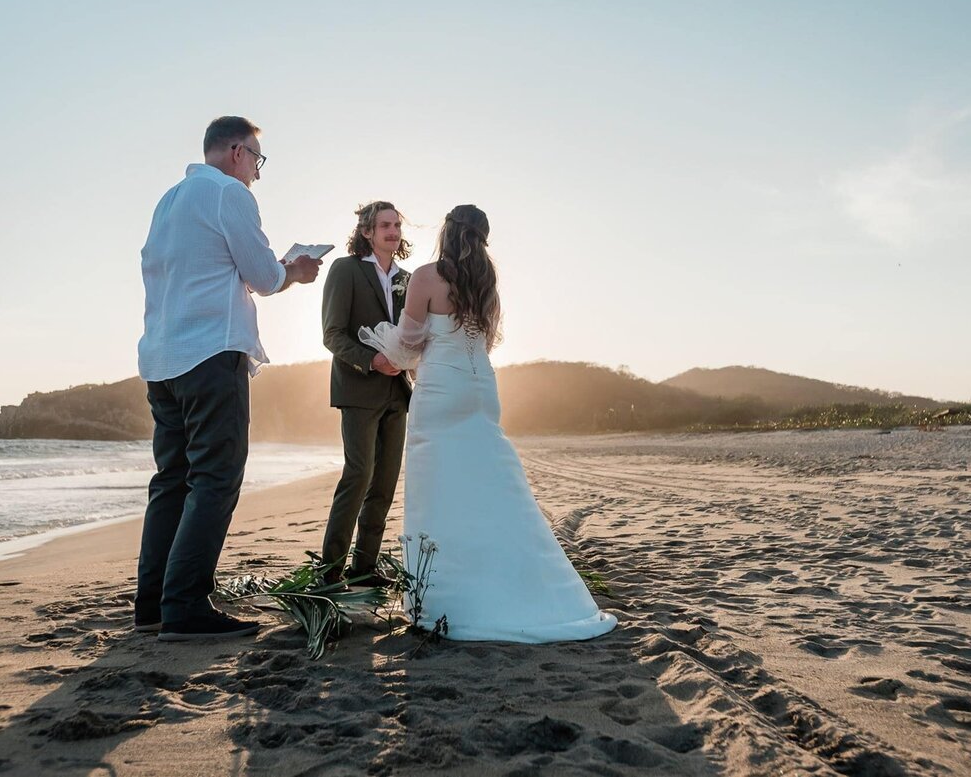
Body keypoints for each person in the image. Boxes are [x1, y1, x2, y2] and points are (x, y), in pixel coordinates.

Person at [360, 205, 617, 642]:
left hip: (442, 390)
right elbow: (485, 339)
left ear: (447, 231)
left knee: (440, 489)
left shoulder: (425, 277)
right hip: (482, 390)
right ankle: (522, 583)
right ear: (482, 237)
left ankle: (445, 599)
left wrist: (380, 345)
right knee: (491, 483)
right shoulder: (487, 283)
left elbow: (407, 346)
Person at [135, 116, 322, 641]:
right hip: (211, 353)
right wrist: (297, 270)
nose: (258, 174)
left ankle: (152, 605)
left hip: (161, 358)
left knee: (171, 482)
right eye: (258, 160)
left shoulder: (168, 201)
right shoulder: (229, 194)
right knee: (216, 479)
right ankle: (185, 606)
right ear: (237, 151)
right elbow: (264, 276)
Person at [320, 202, 412, 586]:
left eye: (396, 225)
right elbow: (332, 334)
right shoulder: (346, 270)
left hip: (397, 392)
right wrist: (371, 361)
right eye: (385, 225)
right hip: (358, 388)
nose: (393, 231)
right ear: (367, 232)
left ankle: (364, 569)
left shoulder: (406, 279)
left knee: (385, 484)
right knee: (358, 476)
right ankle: (329, 572)